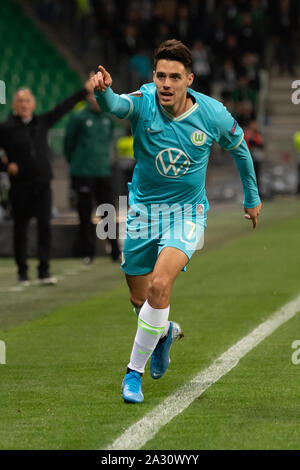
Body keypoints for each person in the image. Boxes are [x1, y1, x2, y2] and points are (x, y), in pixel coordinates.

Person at [90, 39, 262, 404]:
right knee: (140, 299)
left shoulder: (213, 114)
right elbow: (119, 106)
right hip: (143, 213)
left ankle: (132, 375)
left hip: (186, 214)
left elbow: (241, 148)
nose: (166, 83)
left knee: (159, 284)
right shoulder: (146, 100)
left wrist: (252, 197)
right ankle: (164, 333)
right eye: (160, 75)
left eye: (174, 77)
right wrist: (104, 93)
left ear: (189, 80)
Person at [0, 83, 91, 286]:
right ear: (14, 105)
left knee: (44, 228)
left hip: (42, 184)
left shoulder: (42, 122)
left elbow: (63, 107)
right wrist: (6, 167)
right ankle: (22, 271)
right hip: (20, 186)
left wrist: (84, 91)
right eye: (20, 101)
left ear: (33, 104)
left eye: (27, 101)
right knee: (20, 229)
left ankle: (44, 270)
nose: (24, 104)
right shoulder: (6, 129)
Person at [64, 91, 121, 263]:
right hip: (83, 172)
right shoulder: (78, 117)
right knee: (84, 213)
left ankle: (115, 251)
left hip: (103, 171)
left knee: (109, 212)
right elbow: (68, 144)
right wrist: (76, 163)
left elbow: (109, 139)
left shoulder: (108, 118)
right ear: (89, 98)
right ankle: (87, 252)